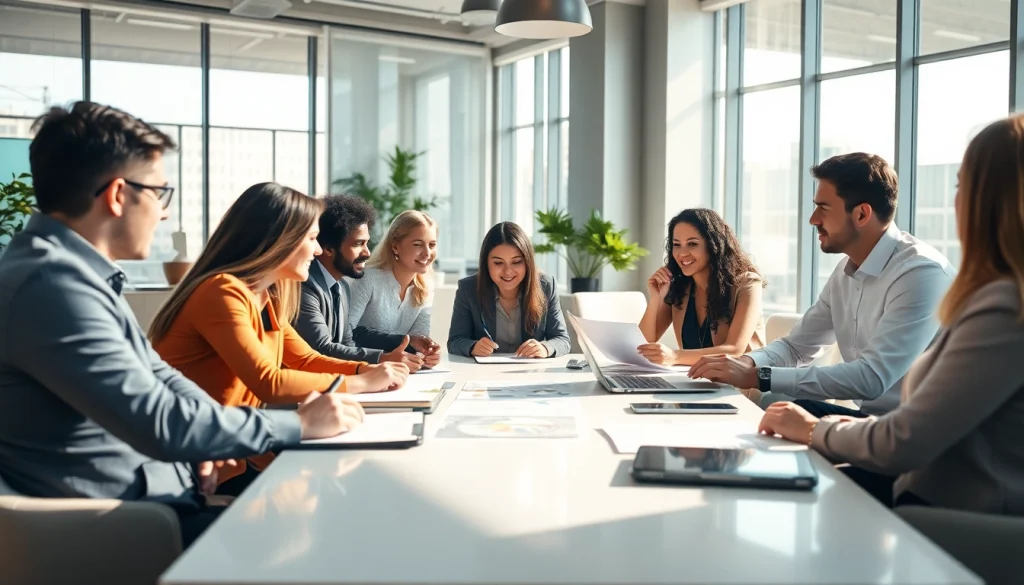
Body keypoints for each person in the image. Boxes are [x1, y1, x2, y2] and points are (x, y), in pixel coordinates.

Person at [0, 101, 361, 549]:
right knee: (334, 538)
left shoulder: (72, 275)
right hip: (121, 523)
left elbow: (160, 376)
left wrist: (206, 444)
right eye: (160, 194)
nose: (164, 213)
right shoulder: (51, 286)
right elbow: (160, 421)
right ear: (117, 195)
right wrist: (298, 426)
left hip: (159, 494)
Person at [758, 115, 1024, 513]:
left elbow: (903, 437)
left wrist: (814, 428)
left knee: (780, 483)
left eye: (959, 185)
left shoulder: (1001, 306)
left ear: (984, 199)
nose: (955, 200)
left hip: (941, 510)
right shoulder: (995, 297)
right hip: (922, 477)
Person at [149, 182, 409, 494]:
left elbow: (305, 358)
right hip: (196, 465)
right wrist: (363, 382)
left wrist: (366, 371)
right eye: (312, 239)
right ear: (280, 241)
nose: (317, 250)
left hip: (241, 453)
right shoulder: (222, 291)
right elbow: (267, 381)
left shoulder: (265, 296)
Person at [689, 152, 955, 418]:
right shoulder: (845, 272)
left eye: (823, 208)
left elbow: (872, 378)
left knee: (778, 411)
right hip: (875, 422)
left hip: (917, 434)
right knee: (777, 410)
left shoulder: (920, 273)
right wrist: (745, 362)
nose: (813, 219)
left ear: (862, 214)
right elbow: (795, 347)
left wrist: (759, 376)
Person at [293, 195, 425, 372]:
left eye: (367, 243)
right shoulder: (305, 286)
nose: (367, 252)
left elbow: (348, 343)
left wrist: (397, 353)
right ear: (328, 248)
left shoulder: (342, 287)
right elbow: (321, 349)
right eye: (358, 244)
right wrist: (382, 358)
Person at [638, 208, 766, 366]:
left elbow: (734, 350)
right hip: (693, 383)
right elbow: (642, 344)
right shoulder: (679, 286)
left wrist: (675, 357)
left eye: (692, 244)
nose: (682, 253)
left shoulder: (747, 283)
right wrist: (655, 299)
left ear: (714, 245)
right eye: (676, 245)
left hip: (737, 387)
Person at [448, 221, 571, 358]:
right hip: (484, 373)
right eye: (498, 263)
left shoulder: (546, 286)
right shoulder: (468, 289)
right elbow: (455, 341)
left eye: (516, 262)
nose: (508, 271)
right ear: (486, 264)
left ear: (527, 262)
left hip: (530, 372)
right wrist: (473, 347)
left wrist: (545, 348)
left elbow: (562, 340)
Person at [347, 210, 441, 366]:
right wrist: (407, 342)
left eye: (432, 245)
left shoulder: (426, 287)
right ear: (395, 246)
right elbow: (346, 334)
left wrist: (427, 354)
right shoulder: (368, 279)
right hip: (361, 368)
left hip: (396, 373)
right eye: (417, 244)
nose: (427, 253)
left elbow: (417, 340)